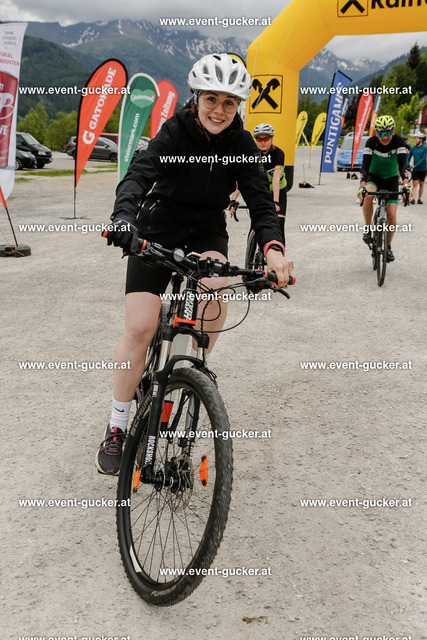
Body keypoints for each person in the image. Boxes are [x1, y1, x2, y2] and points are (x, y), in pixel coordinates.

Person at [96, 53, 293, 475]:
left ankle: (193, 368)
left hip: (206, 231)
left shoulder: (242, 145)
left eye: (229, 102)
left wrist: (274, 249)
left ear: (238, 106)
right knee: (140, 327)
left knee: (216, 294)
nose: (219, 110)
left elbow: (261, 201)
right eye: (211, 99)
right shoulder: (175, 131)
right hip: (158, 226)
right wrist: (123, 218)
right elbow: (138, 174)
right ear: (196, 98)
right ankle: (117, 424)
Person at [358, 115, 410, 263]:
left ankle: (388, 246)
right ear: (376, 133)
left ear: (393, 131)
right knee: (368, 195)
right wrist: (362, 186)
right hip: (374, 177)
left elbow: (403, 166)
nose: (385, 137)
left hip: (391, 179)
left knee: (392, 216)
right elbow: (365, 166)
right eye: (381, 134)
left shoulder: (399, 142)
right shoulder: (371, 142)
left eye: (388, 133)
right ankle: (368, 229)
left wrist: (406, 186)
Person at [230, 123, 287, 245]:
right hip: (261, 188)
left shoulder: (278, 154)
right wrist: (233, 198)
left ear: (271, 138)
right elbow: (244, 178)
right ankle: (251, 253)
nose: (262, 143)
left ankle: (278, 252)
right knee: (256, 222)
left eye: (266, 139)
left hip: (278, 190)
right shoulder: (252, 154)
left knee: (279, 225)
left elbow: (276, 179)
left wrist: (275, 202)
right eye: (259, 139)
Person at [407, 131, 427, 204]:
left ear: (421, 139)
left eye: (417, 139)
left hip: (423, 168)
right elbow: (408, 157)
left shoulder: (425, 148)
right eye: (415, 139)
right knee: (415, 183)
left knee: (421, 184)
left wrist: (415, 165)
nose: (415, 140)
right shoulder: (413, 148)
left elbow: (423, 159)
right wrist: (407, 165)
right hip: (415, 169)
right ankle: (413, 199)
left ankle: (419, 198)